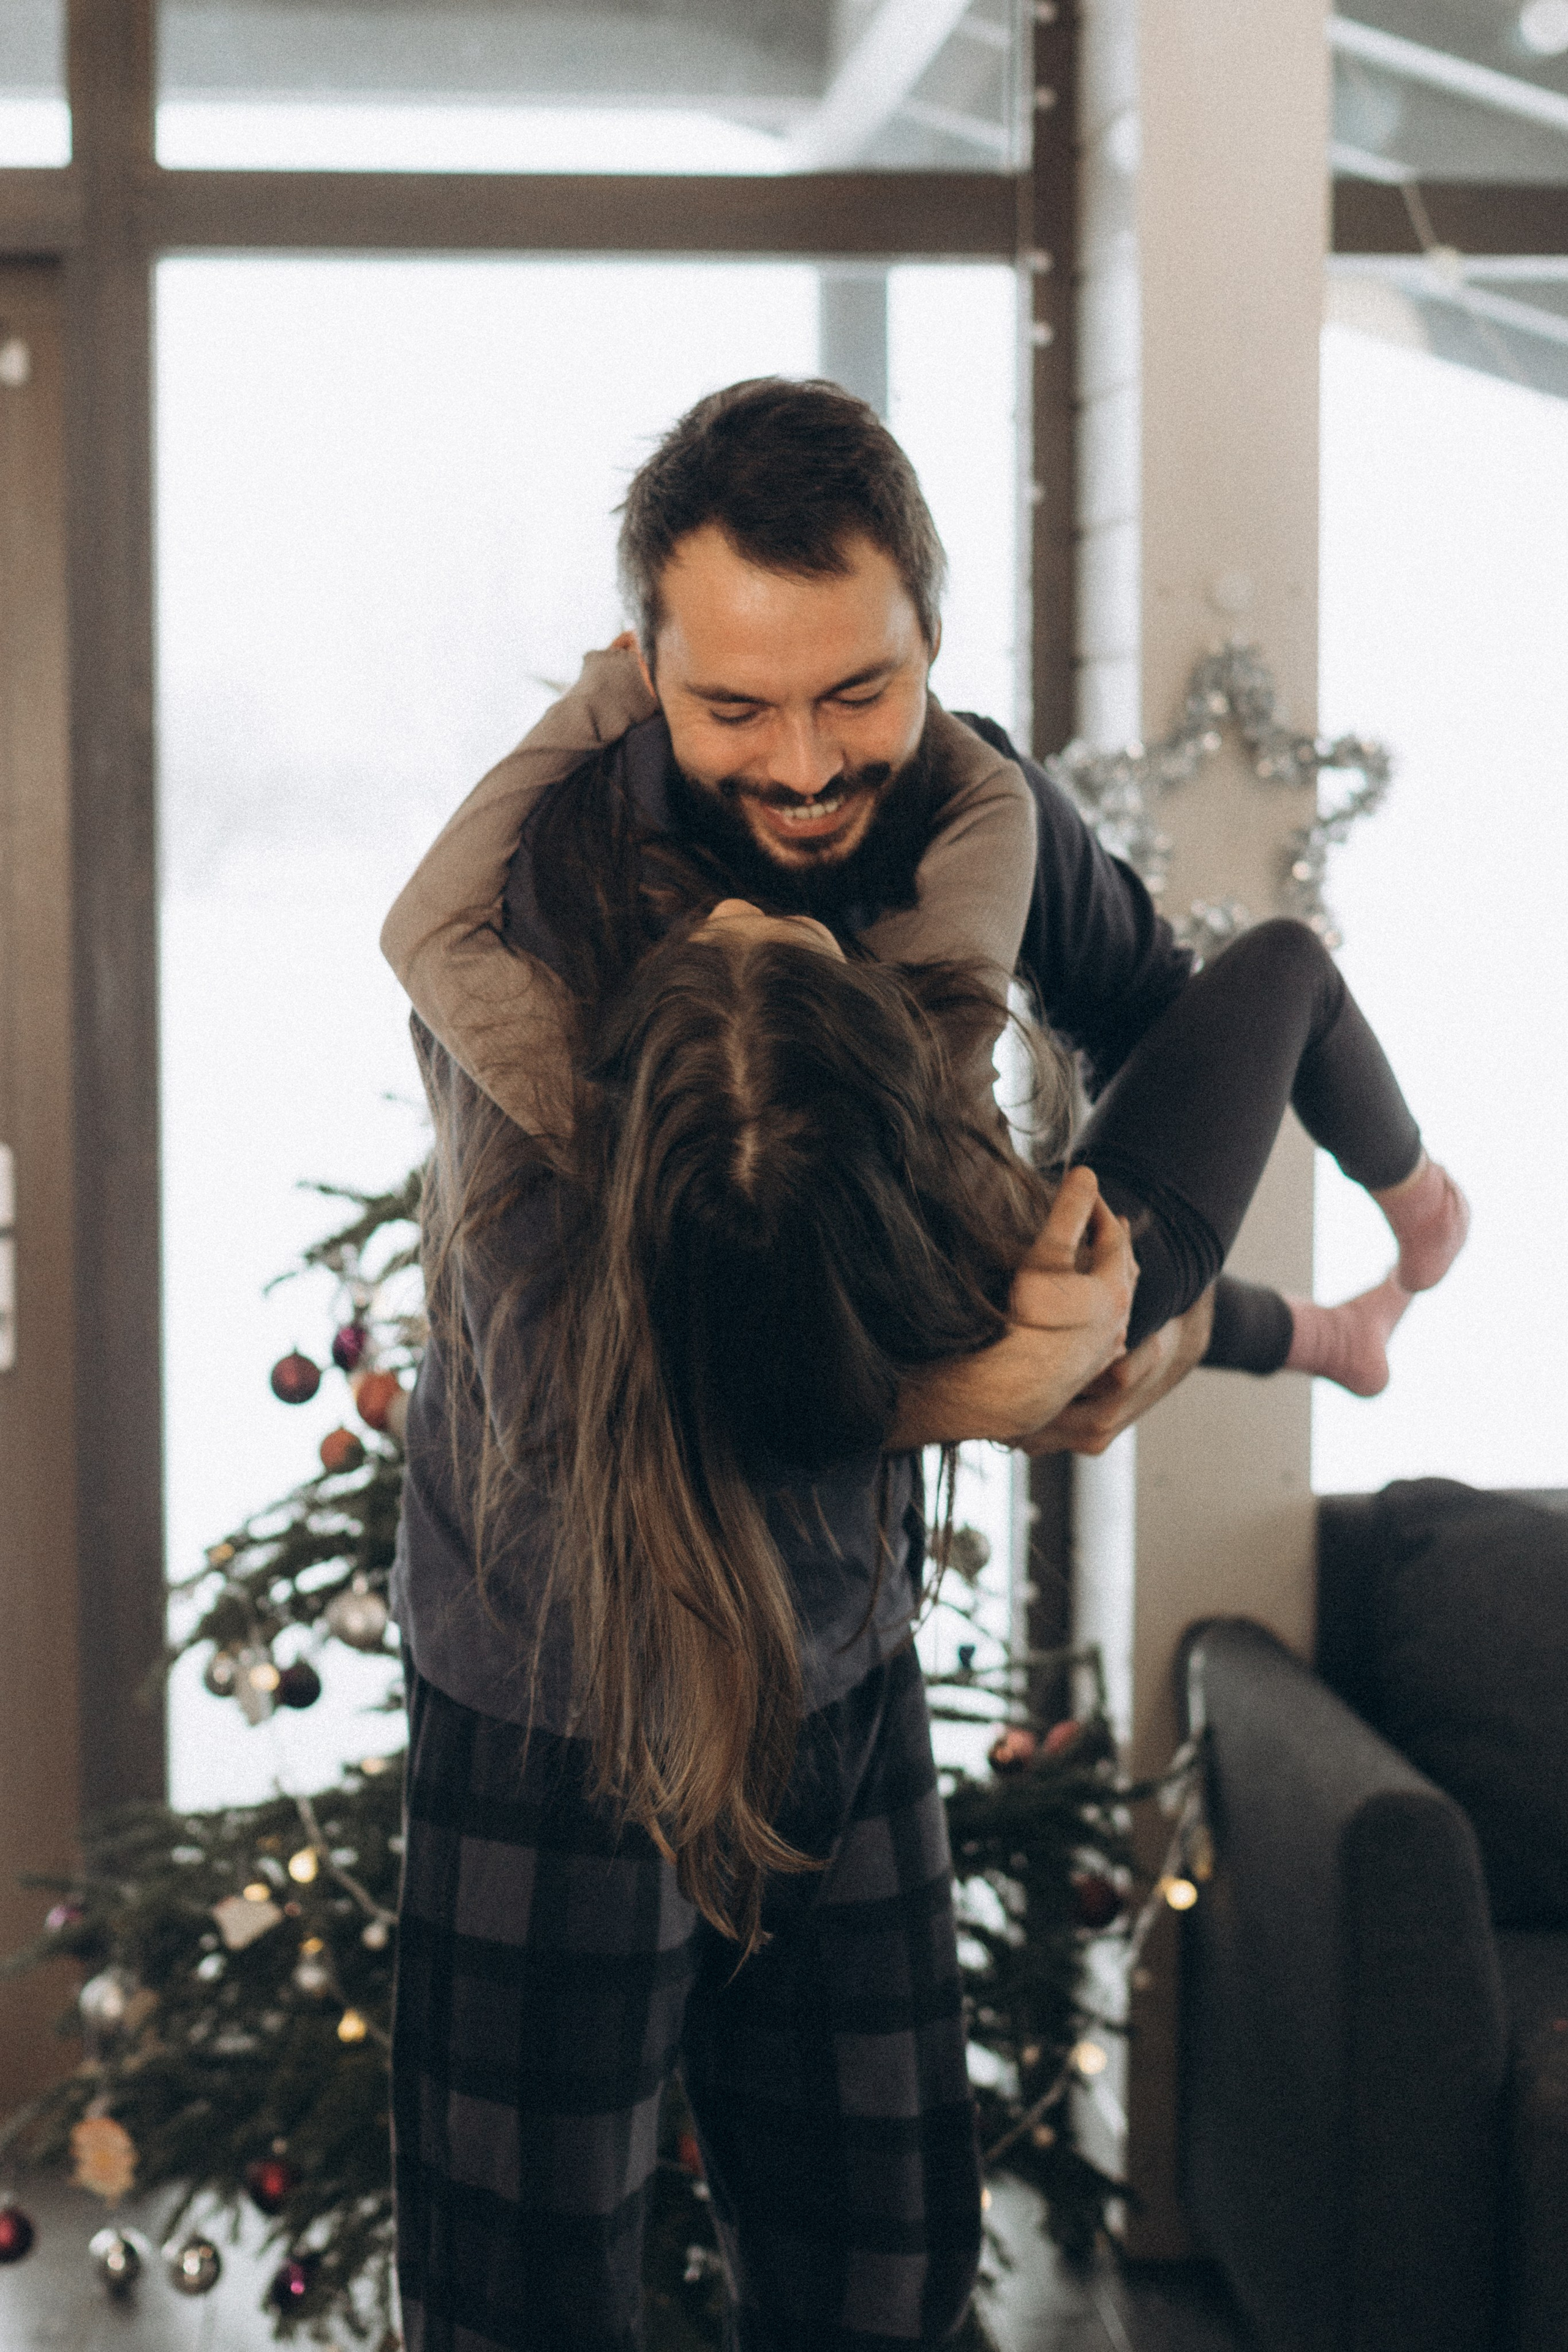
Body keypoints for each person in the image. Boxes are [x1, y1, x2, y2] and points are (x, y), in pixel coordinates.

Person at [383, 380, 1466, 1407]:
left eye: (859, 689)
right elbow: (590, 1392)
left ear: (931, 647)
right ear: (656, 677)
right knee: (1287, 971)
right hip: (940, 1320)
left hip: (1004, 1264)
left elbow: (1151, 1015)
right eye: (736, 708)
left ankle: (1335, 1330)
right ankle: (1421, 1217)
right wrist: (1005, 1385)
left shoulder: (978, 808)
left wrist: (1139, 1332)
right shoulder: (564, 900)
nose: (806, 769)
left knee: (1071, 1220)